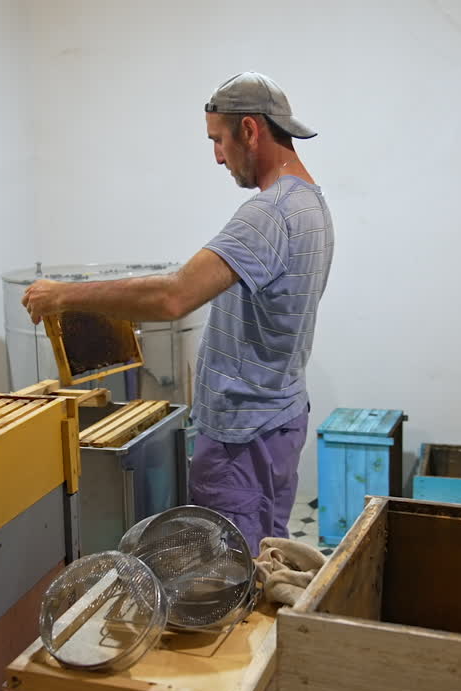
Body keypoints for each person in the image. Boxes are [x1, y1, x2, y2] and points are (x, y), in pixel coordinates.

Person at [22, 71, 334, 554]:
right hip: (279, 420)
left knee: (232, 571)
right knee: (269, 555)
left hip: (241, 436)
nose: (216, 157)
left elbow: (174, 297)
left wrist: (64, 295)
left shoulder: (269, 213)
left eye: (218, 140)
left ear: (250, 130)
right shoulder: (311, 205)